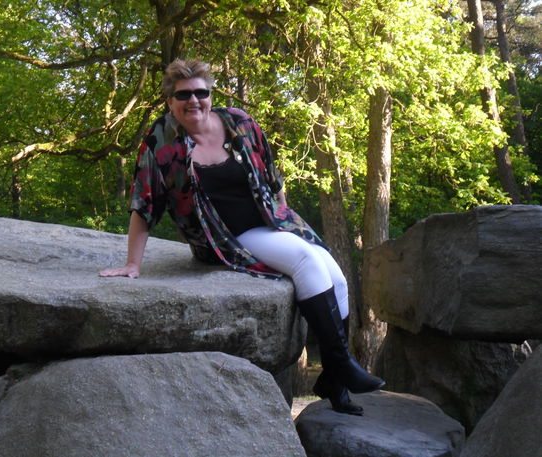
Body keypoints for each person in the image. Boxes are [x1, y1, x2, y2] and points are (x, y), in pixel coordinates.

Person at [100, 59, 385, 414]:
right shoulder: (162, 141)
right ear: (170, 101)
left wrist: (287, 221)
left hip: (271, 221)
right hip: (225, 237)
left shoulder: (239, 122)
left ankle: (334, 380)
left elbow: (272, 178)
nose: (194, 101)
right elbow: (145, 202)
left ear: (210, 95)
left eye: (201, 92)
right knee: (306, 261)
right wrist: (133, 263)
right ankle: (342, 367)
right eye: (183, 95)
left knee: (337, 278)